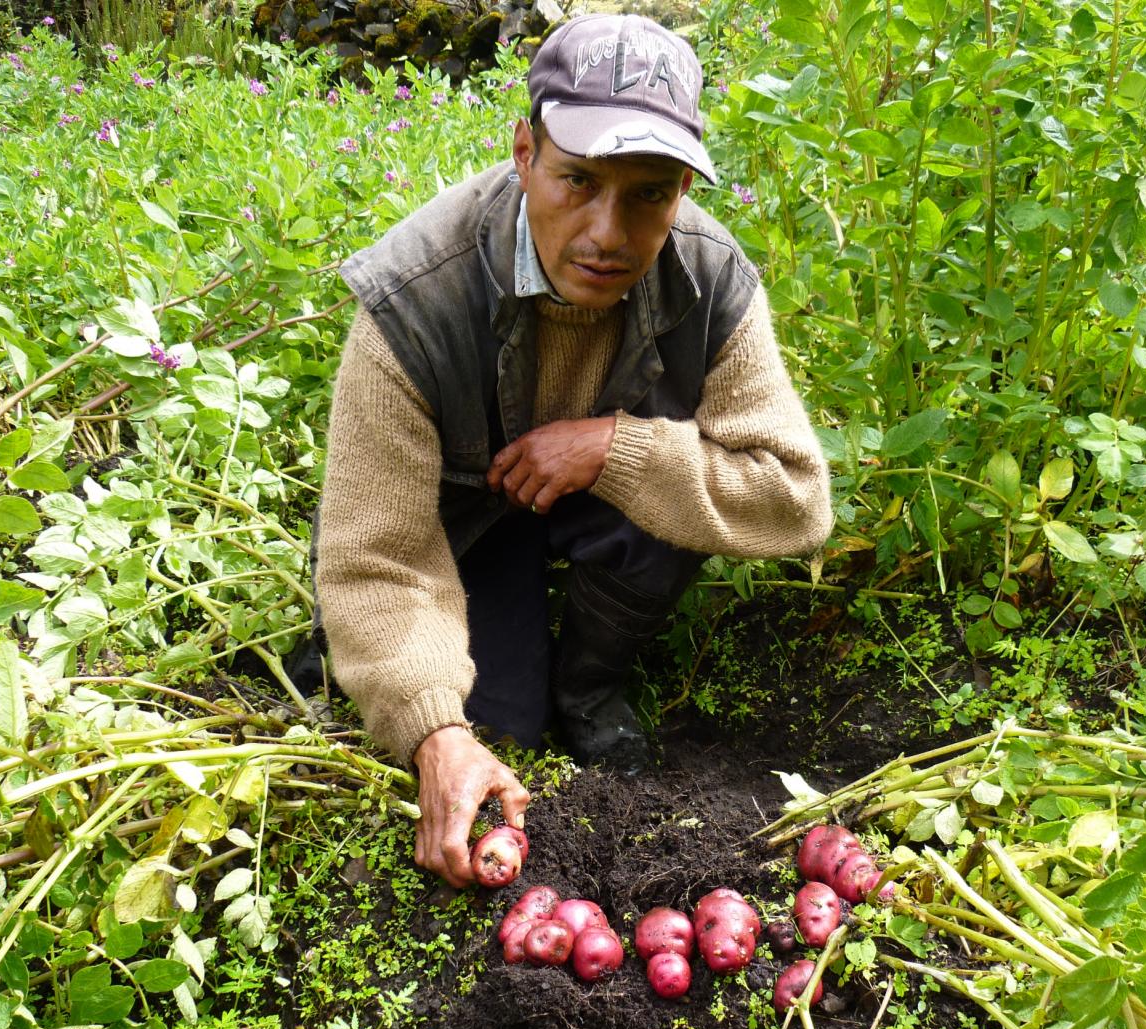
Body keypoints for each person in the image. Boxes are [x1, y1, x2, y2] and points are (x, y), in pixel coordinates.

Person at [313, 13, 833, 887]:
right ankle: (473, 673)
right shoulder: (414, 297)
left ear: (680, 192)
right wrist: (436, 730)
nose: (608, 233)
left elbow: (793, 497)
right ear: (524, 152)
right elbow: (376, 555)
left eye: (649, 194)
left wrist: (619, 450)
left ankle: (590, 686)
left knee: (667, 498)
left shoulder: (706, 277)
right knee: (493, 728)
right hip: (459, 528)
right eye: (578, 181)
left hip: (598, 507)